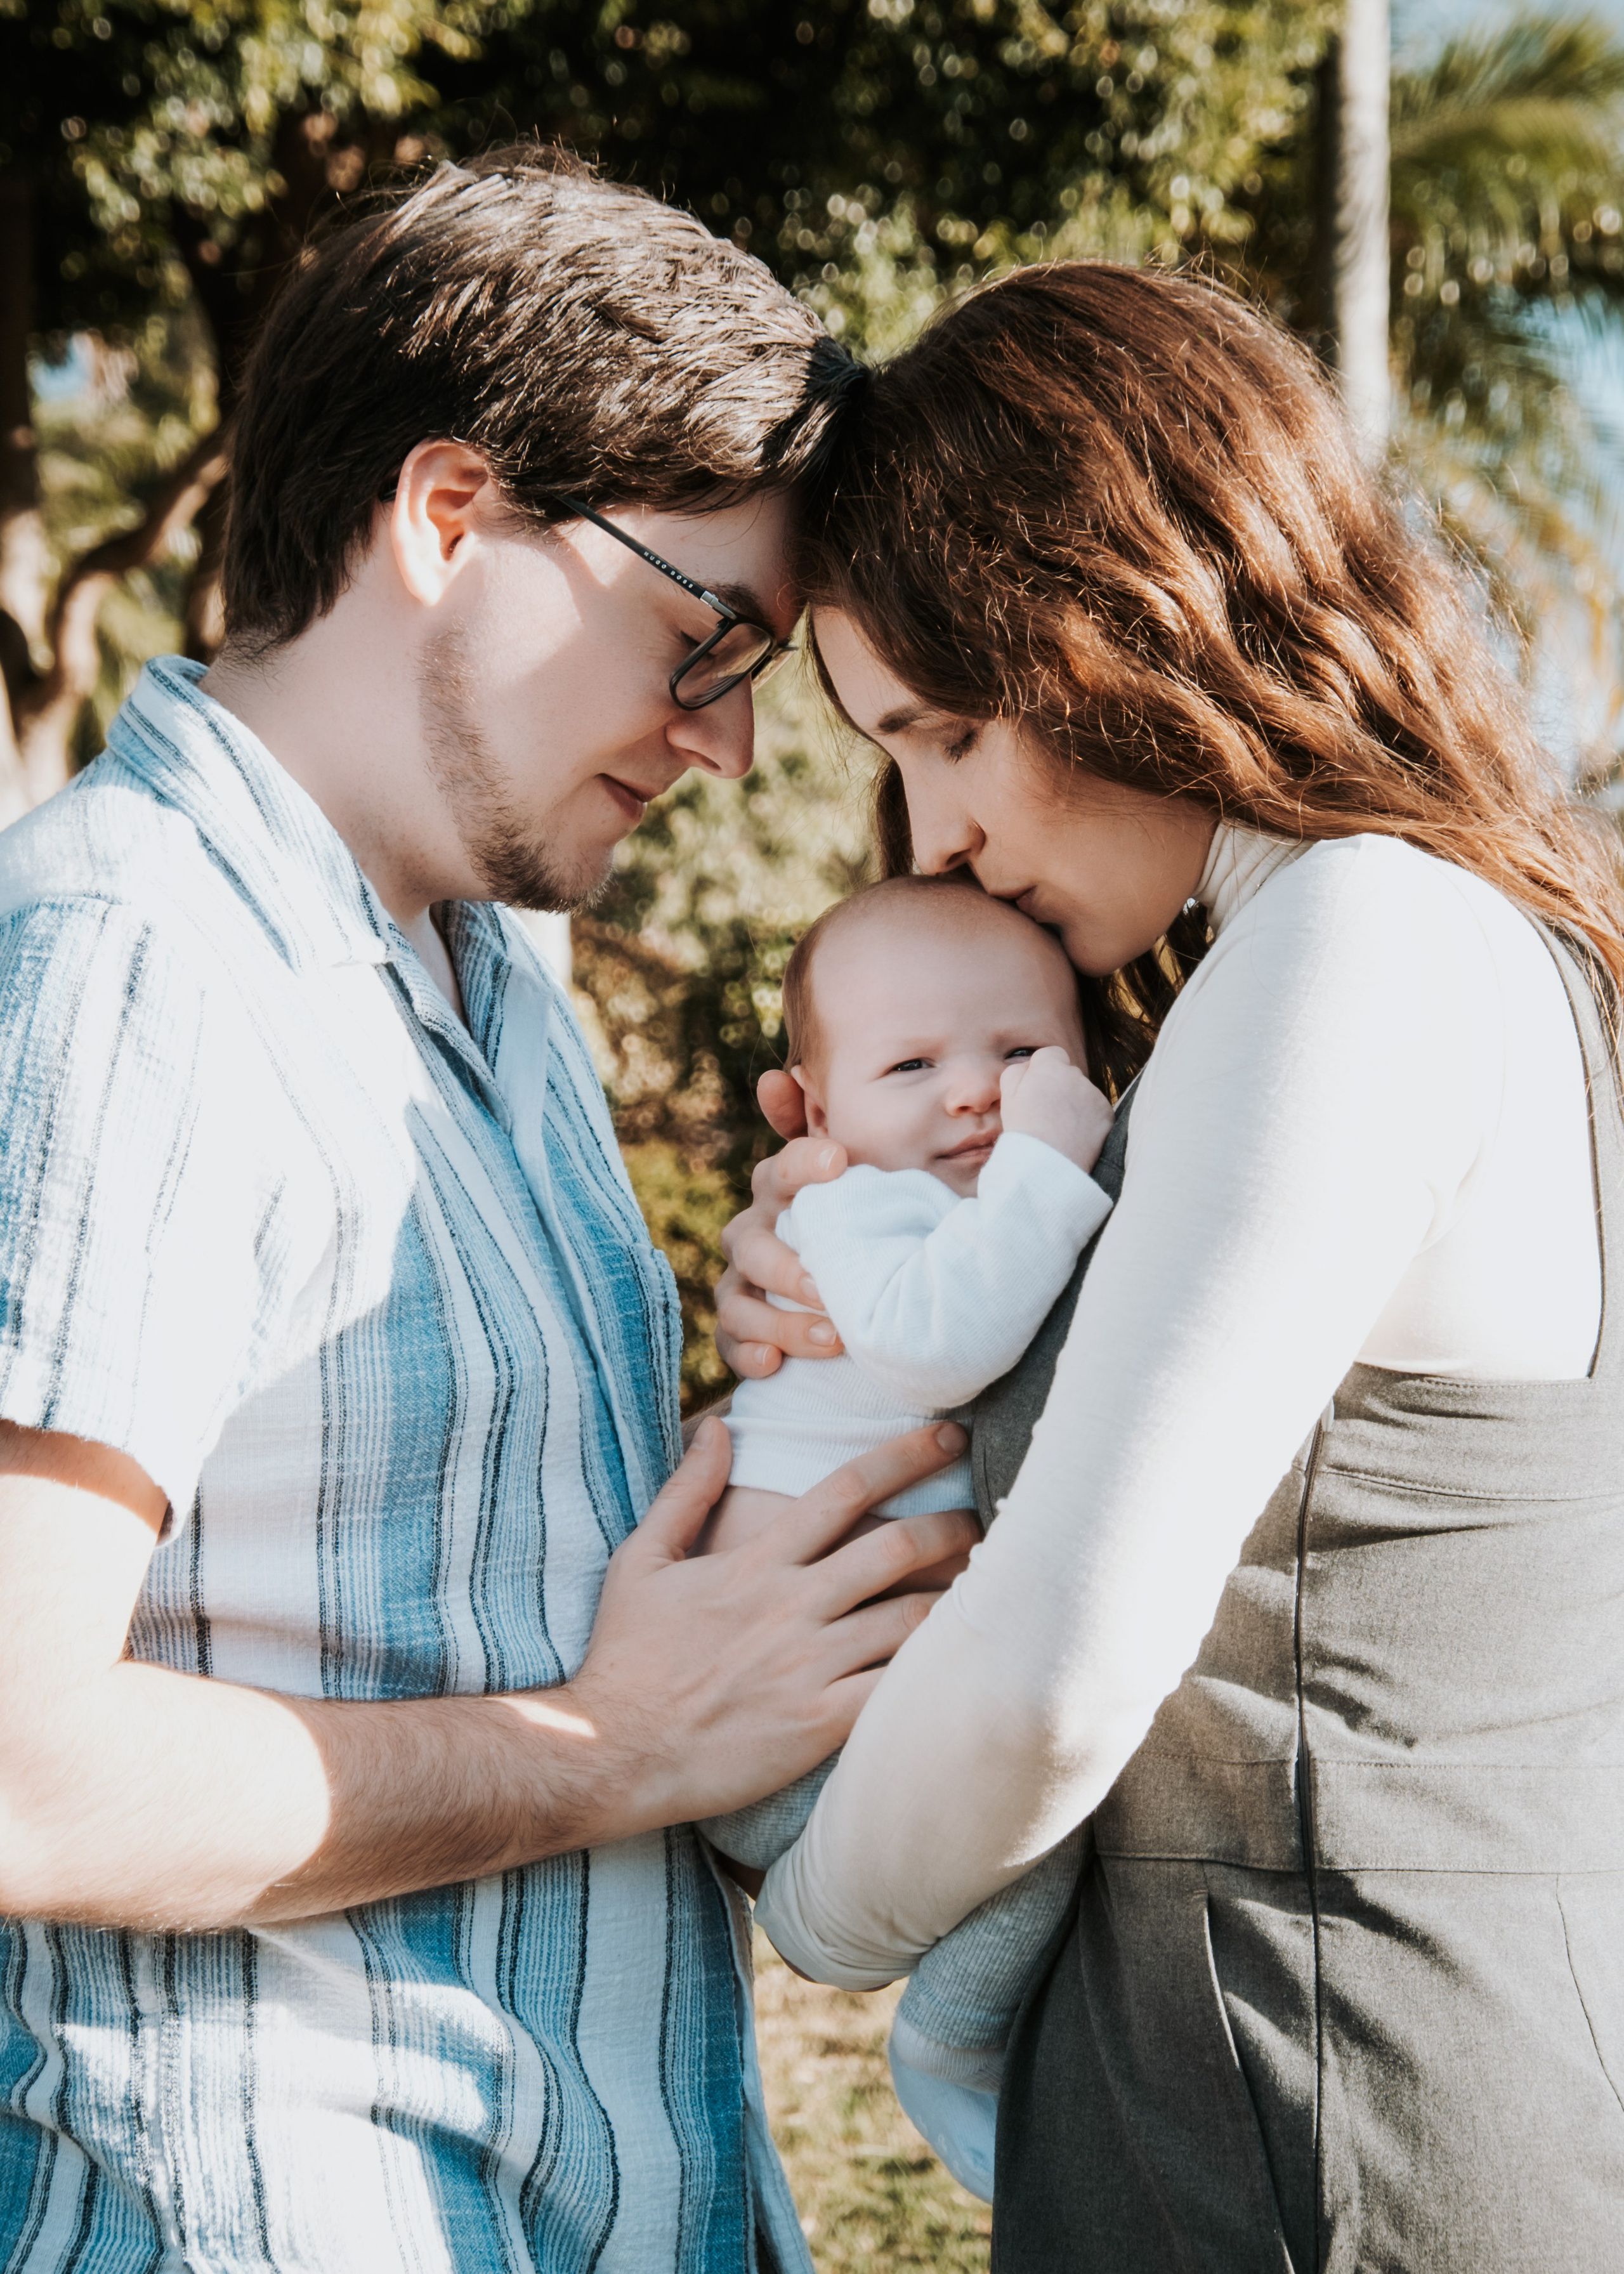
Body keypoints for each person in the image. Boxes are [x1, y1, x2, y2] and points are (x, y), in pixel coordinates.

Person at [0, 148, 980, 2274]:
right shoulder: (137, 957)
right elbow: (16, 1766)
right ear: (451, 517)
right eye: (704, 639)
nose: (726, 748)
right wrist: (606, 1749)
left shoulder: (484, 979)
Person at [717, 261, 1624, 2270]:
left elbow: (1058, 1673)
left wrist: (802, 1906)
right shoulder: (1420, 949)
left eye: (947, 731)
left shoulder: (1355, 941)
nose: (931, 833)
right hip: (1329, 2081)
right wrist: (817, 1278)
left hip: (1317, 2108)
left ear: (1119, 625)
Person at [696, 875, 1113, 2200]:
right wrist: (1050, 1161)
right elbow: (938, 1343)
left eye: (1020, 1053)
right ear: (816, 1116)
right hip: (779, 1712)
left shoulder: (966, 1207)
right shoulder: (852, 1210)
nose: (975, 1091)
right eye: (913, 1062)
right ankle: (953, 2039)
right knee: (1036, 1825)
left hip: (845, 1689)